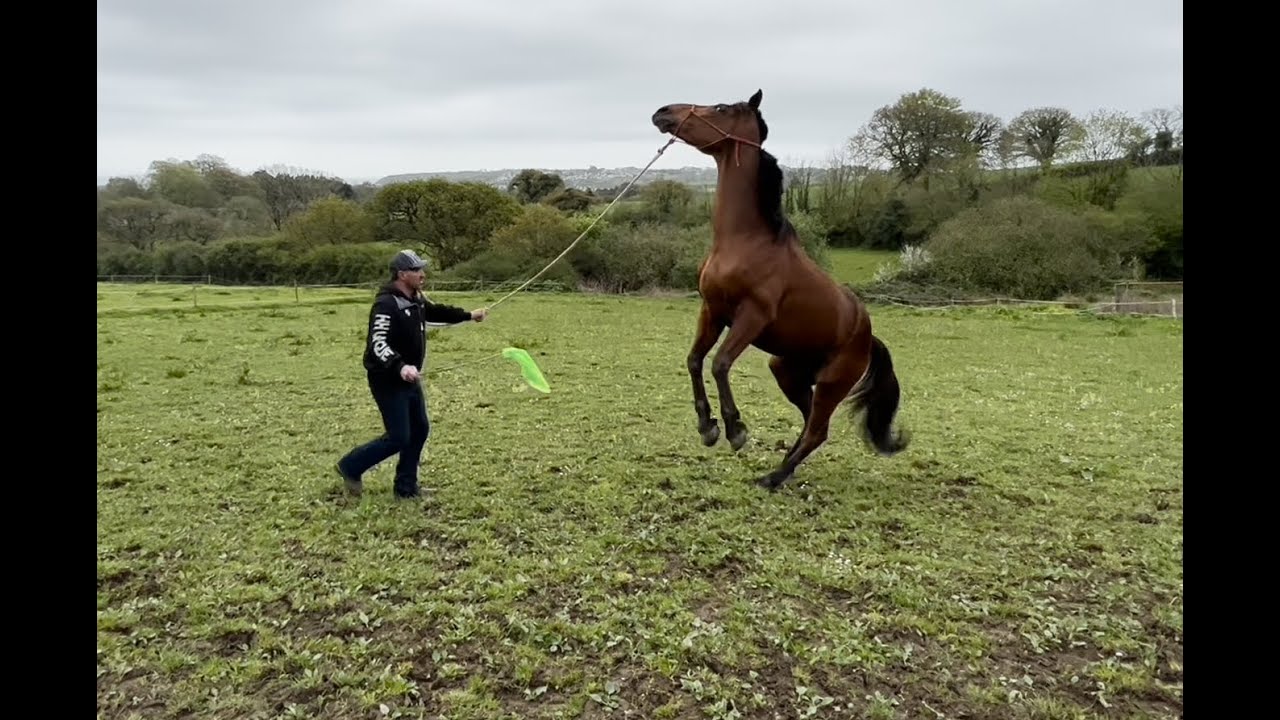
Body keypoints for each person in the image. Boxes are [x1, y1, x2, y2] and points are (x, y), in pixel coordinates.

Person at [335, 249, 488, 499]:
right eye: (417, 270)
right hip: (388, 379)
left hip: (410, 378)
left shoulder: (415, 299)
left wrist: (470, 315)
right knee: (398, 436)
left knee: (419, 429)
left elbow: (436, 312)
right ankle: (350, 466)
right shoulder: (386, 303)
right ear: (402, 274)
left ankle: (406, 488)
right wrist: (400, 366)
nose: (422, 275)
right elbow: (377, 343)